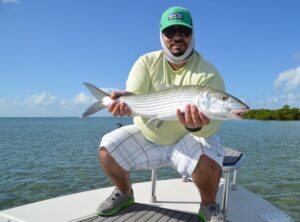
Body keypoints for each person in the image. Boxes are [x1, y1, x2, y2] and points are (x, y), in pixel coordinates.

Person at [97, 6, 225, 222]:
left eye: (183, 32)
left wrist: (196, 126)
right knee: (106, 148)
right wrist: (124, 102)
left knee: (210, 160)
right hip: (149, 136)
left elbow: (212, 127)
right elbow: (136, 98)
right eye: (170, 32)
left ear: (192, 34)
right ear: (161, 35)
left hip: (188, 139)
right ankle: (125, 194)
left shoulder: (208, 72)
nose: (177, 37)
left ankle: (209, 205)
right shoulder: (145, 62)